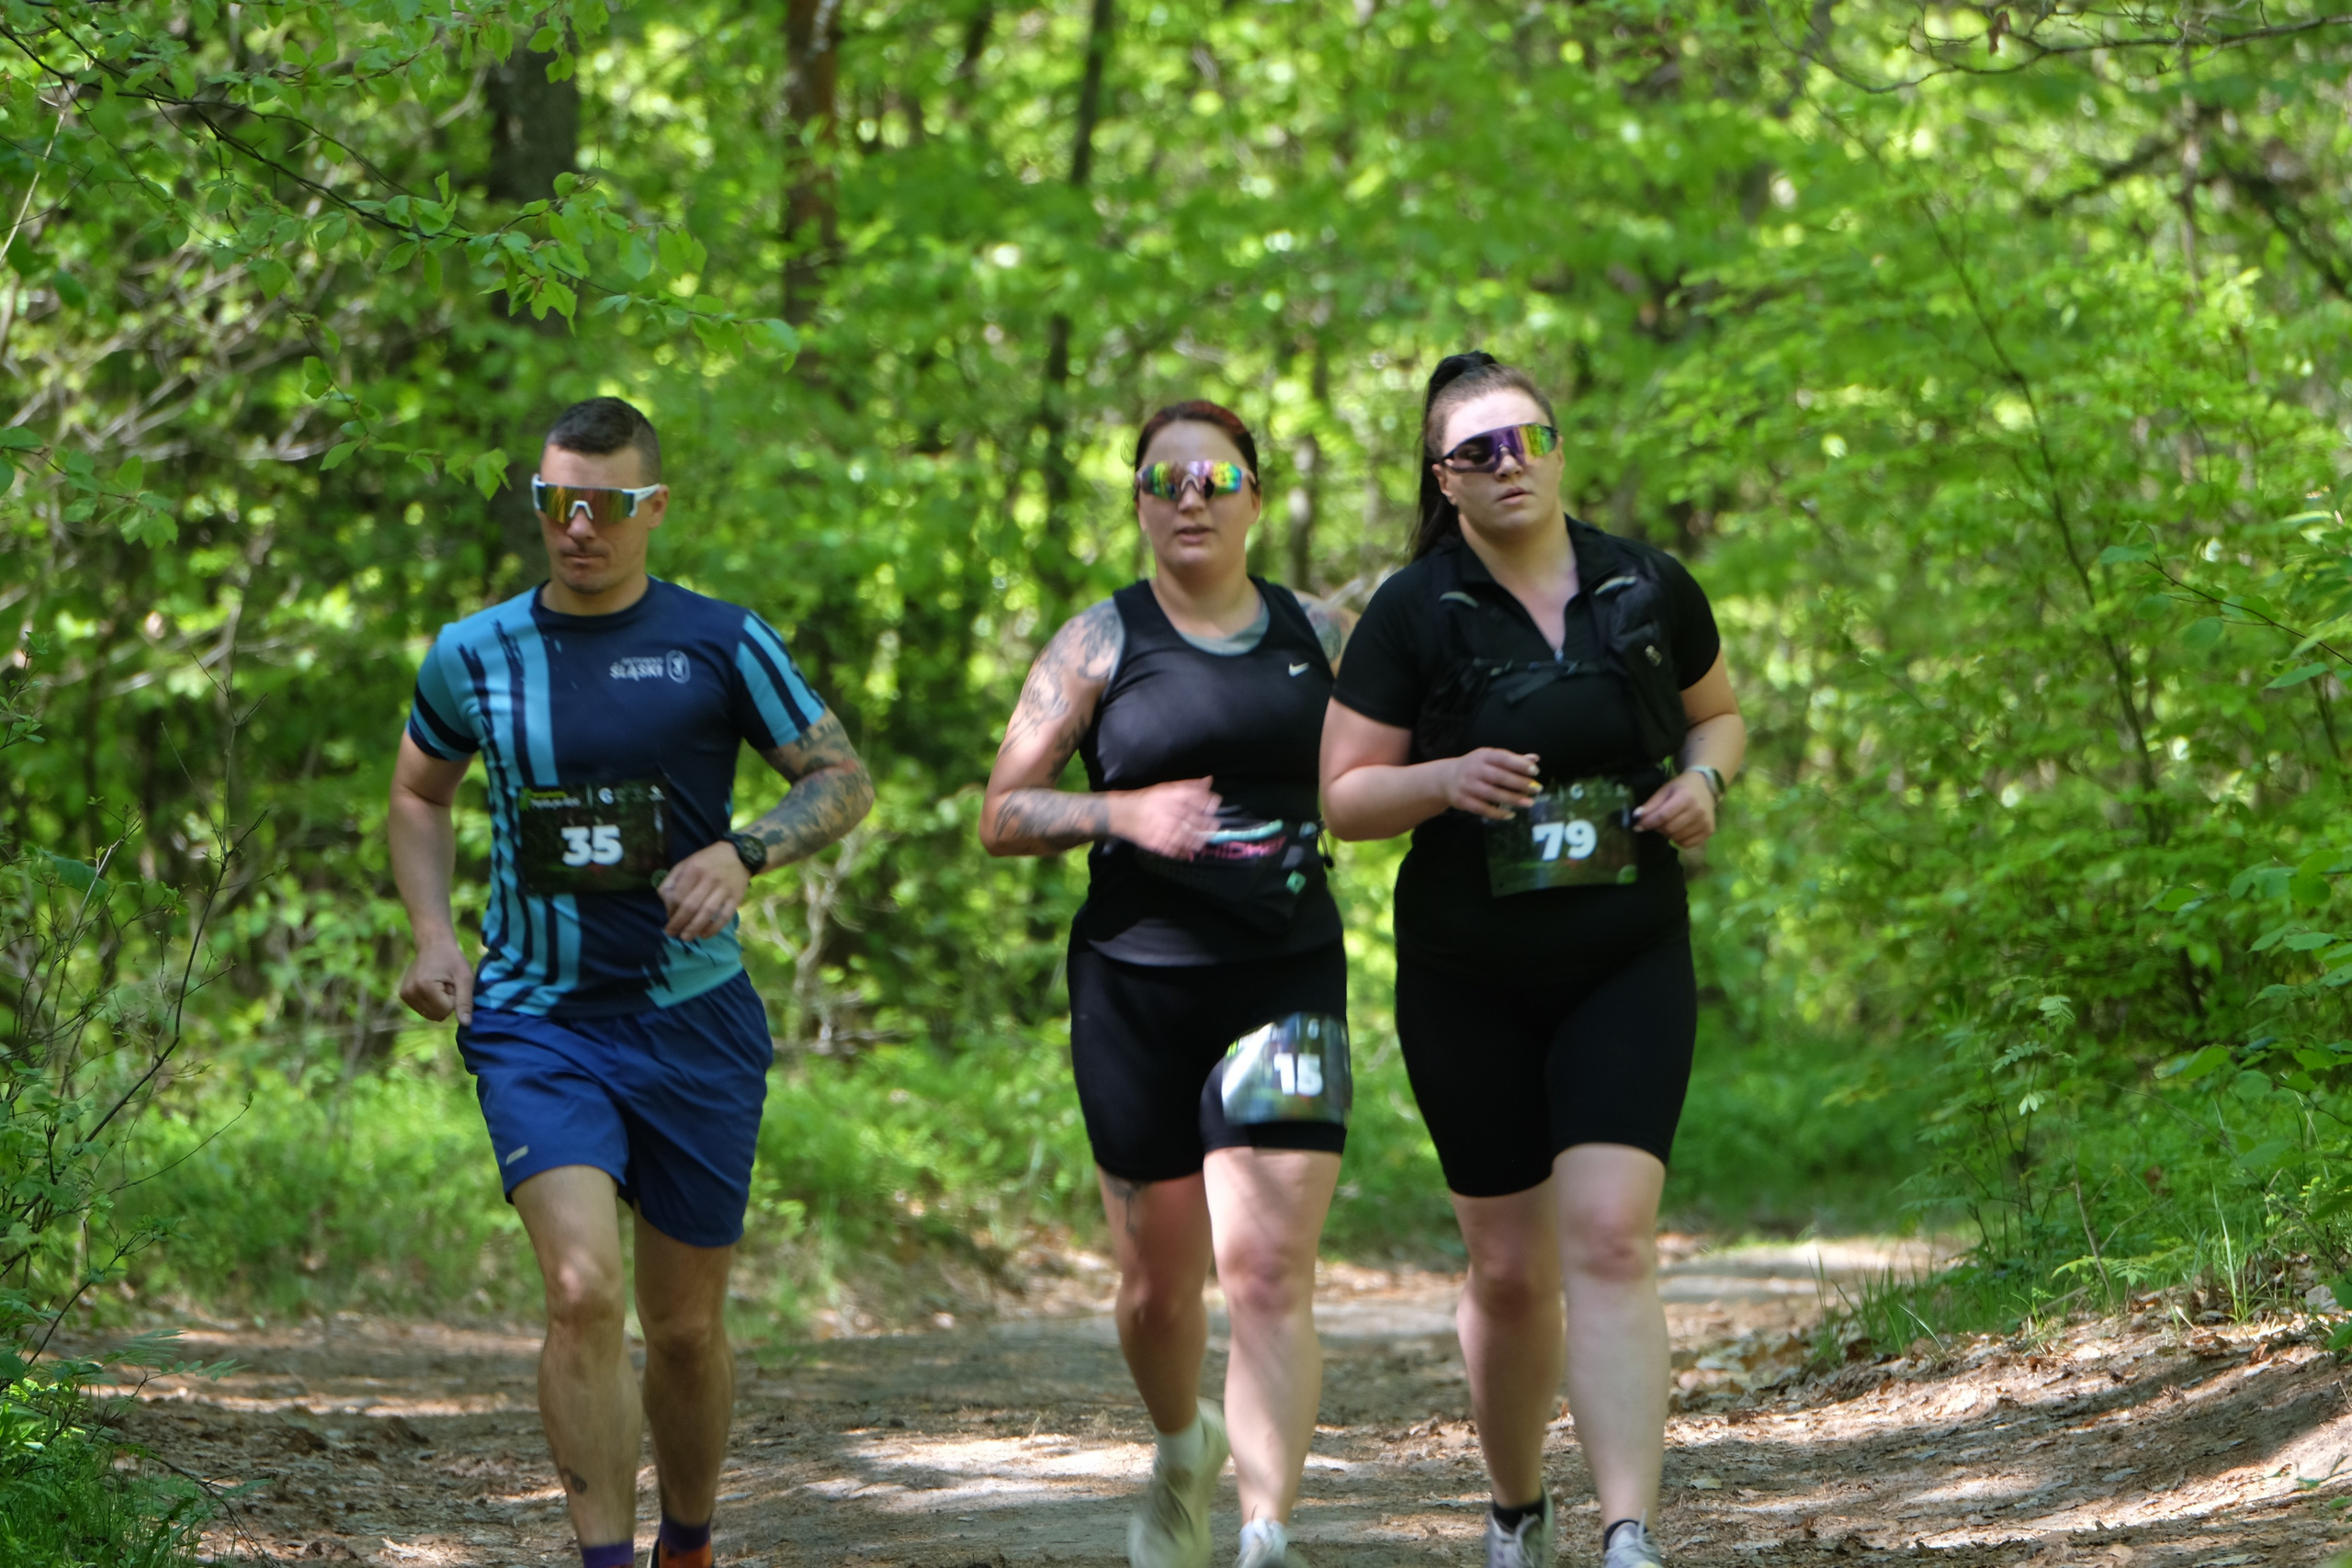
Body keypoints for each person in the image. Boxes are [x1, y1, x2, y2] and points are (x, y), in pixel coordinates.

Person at [388, 397, 874, 1568]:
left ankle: (687, 1544)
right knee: (580, 1291)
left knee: (686, 1329)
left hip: (692, 1018)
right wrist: (433, 936)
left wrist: (743, 850)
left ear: (650, 510)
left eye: (603, 506)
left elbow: (844, 777)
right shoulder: (475, 652)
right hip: (534, 1018)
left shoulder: (722, 641)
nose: (577, 529)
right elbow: (419, 794)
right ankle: (603, 1555)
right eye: (556, 503)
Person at [1318, 354, 1746, 1568]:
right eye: (1475, 453)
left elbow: (1720, 713)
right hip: (1470, 973)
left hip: (1626, 951)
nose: (1507, 465)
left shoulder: (1646, 581)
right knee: (1511, 1269)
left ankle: (1627, 1531)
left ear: (1558, 448)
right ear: (1442, 480)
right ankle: (1516, 1505)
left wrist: (1705, 779)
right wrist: (1446, 780)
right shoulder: (1415, 609)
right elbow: (1344, 796)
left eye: (1525, 440)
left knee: (1611, 1233)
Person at [980, 400, 1354, 1568]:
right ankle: (1180, 1444)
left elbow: (1403, 761)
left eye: (1213, 477)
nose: (1189, 497)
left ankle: (1264, 1531)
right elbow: (1000, 813)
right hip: (1137, 988)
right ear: (1140, 499)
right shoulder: (1098, 643)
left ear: (1253, 494)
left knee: (1265, 1266)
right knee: (1157, 1288)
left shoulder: (1323, 634)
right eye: (1164, 479)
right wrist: (1122, 811)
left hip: (1286, 974)